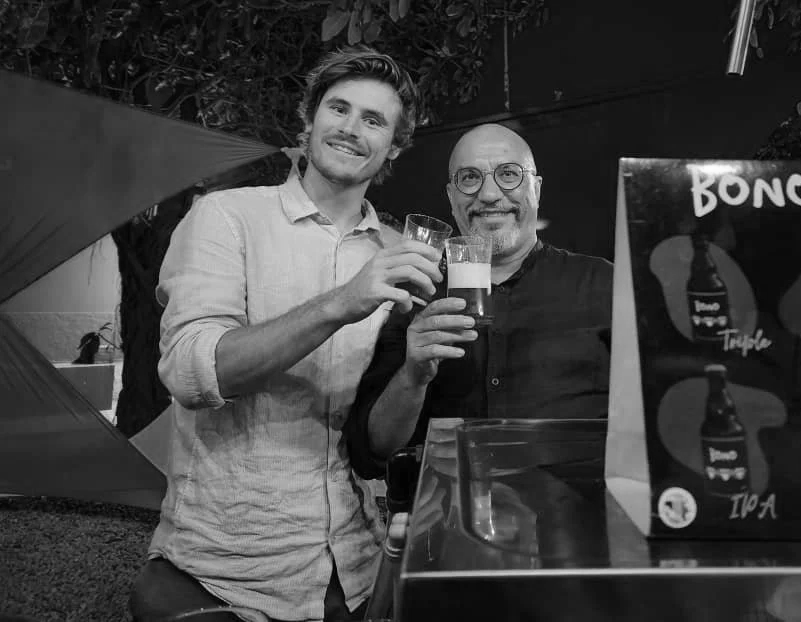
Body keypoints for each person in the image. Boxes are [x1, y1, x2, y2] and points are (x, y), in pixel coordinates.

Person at [129, 46, 445, 622]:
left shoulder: (400, 253)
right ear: (309, 120)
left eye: (374, 120)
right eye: (339, 109)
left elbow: (377, 442)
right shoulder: (226, 217)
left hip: (355, 566)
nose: (351, 129)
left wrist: (416, 370)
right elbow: (192, 371)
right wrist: (343, 302)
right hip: (229, 567)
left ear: (394, 146)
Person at [344, 123, 613, 481]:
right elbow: (373, 452)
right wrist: (413, 376)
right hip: (451, 524)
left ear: (537, 188)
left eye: (508, 175)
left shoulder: (604, 284)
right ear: (452, 197)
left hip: (574, 524)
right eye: (470, 178)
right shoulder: (416, 295)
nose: (488, 194)